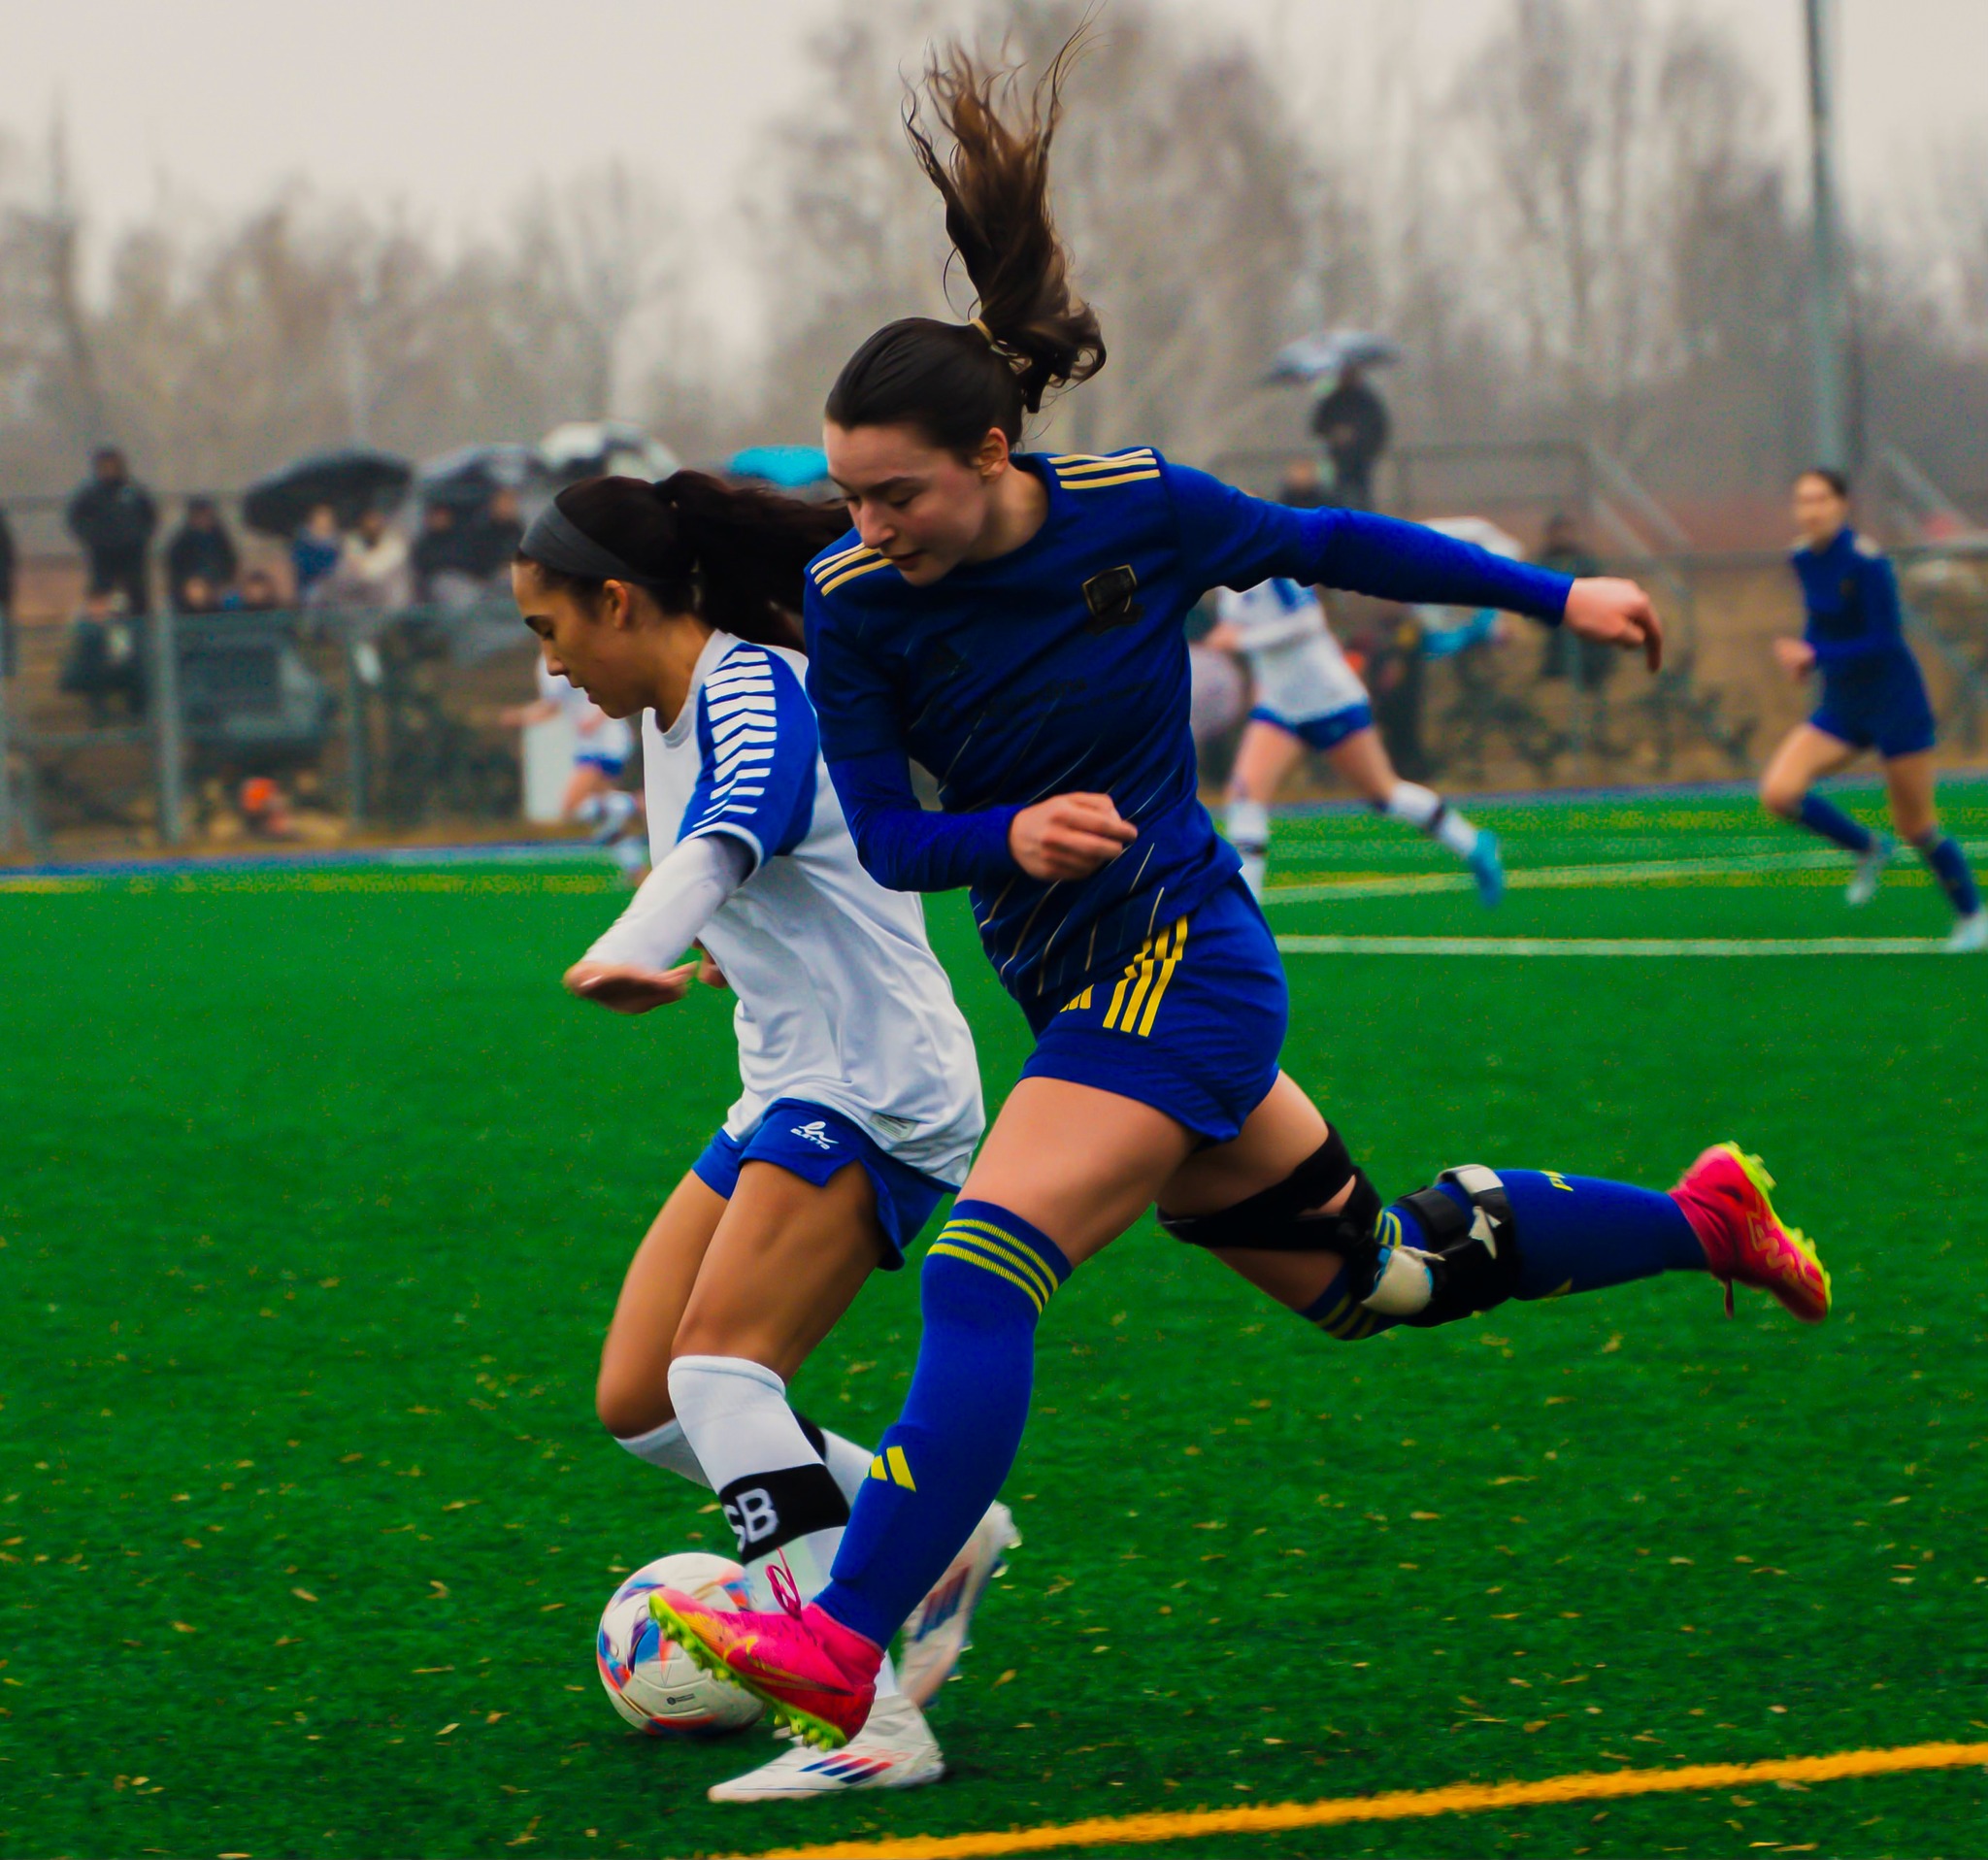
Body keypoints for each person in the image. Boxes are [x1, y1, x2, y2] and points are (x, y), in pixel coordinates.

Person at [649, 40, 1833, 1753]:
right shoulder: (854, 600)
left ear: (990, 452)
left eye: (893, 489)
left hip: (1183, 965)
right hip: (1078, 994)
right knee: (1383, 1277)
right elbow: (900, 847)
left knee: (980, 1271)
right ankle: (1696, 1218)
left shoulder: (1139, 512)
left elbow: (1337, 543)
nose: (864, 520)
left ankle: (841, 1638)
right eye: (845, 491)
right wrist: (1006, 841)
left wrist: (1551, 589)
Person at [512, 472, 1011, 1799]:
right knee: (642, 1401)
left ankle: (863, 1719)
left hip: (873, 1084)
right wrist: (737, 956)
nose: (550, 664)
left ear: (617, 601)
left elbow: (742, 825)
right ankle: (937, 1533)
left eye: (549, 631)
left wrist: (641, 941)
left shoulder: (753, 686)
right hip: (791, 1075)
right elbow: (791, 863)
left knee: (720, 1370)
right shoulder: (666, 708)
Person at [1759, 467, 1984, 952]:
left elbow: (1883, 641)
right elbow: (1819, 622)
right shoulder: (1800, 557)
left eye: (1820, 499)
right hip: (1841, 706)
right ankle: (1868, 847)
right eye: (1802, 500)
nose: (1810, 510)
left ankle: (1973, 915)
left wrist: (1817, 656)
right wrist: (1808, 655)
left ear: (1842, 506)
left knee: (1917, 825)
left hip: (1893, 704)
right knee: (1779, 792)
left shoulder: (1868, 562)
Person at [1205, 542, 1505, 905]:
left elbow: (1308, 621)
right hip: (1281, 705)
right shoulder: (1223, 578)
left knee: (1385, 794)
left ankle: (1473, 845)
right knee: (1244, 794)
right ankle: (1246, 911)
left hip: (1327, 697)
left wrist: (1243, 639)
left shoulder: (1270, 562)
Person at [500, 653, 646, 877]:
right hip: (589, 745)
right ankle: (635, 870)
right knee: (604, 818)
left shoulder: (577, 648)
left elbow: (612, 688)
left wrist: (597, 718)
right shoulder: (545, 665)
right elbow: (551, 708)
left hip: (605, 741)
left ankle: (638, 803)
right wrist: (519, 717)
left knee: (571, 807)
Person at [65, 447, 156, 617]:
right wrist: (92, 538)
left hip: (133, 556)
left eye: (112, 465)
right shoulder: (90, 494)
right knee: (100, 600)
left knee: (137, 598)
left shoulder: (134, 492)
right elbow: (75, 520)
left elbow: (150, 517)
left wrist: (138, 537)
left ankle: (140, 637)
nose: (109, 469)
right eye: (104, 466)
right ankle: (99, 639)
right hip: (102, 557)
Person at [1309, 365, 1389, 511]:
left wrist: (1362, 440)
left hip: (1363, 455)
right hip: (1340, 456)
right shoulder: (1332, 400)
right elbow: (1318, 426)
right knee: (1340, 493)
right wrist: (1334, 433)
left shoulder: (1368, 400)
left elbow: (1379, 427)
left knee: (1363, 494)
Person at [166, 497, 240, 613]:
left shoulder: (219, 539)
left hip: (218, 585)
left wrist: (223, 584)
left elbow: (230, 562)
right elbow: (175, 569)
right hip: (191, 588)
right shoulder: (183, 541)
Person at [291, 505, 342, 605]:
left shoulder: (340, 544)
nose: (323, 524)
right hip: (310, 590)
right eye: (320, 520)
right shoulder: (302, 545)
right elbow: (303, 568)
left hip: (337, 588)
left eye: (327, 521)